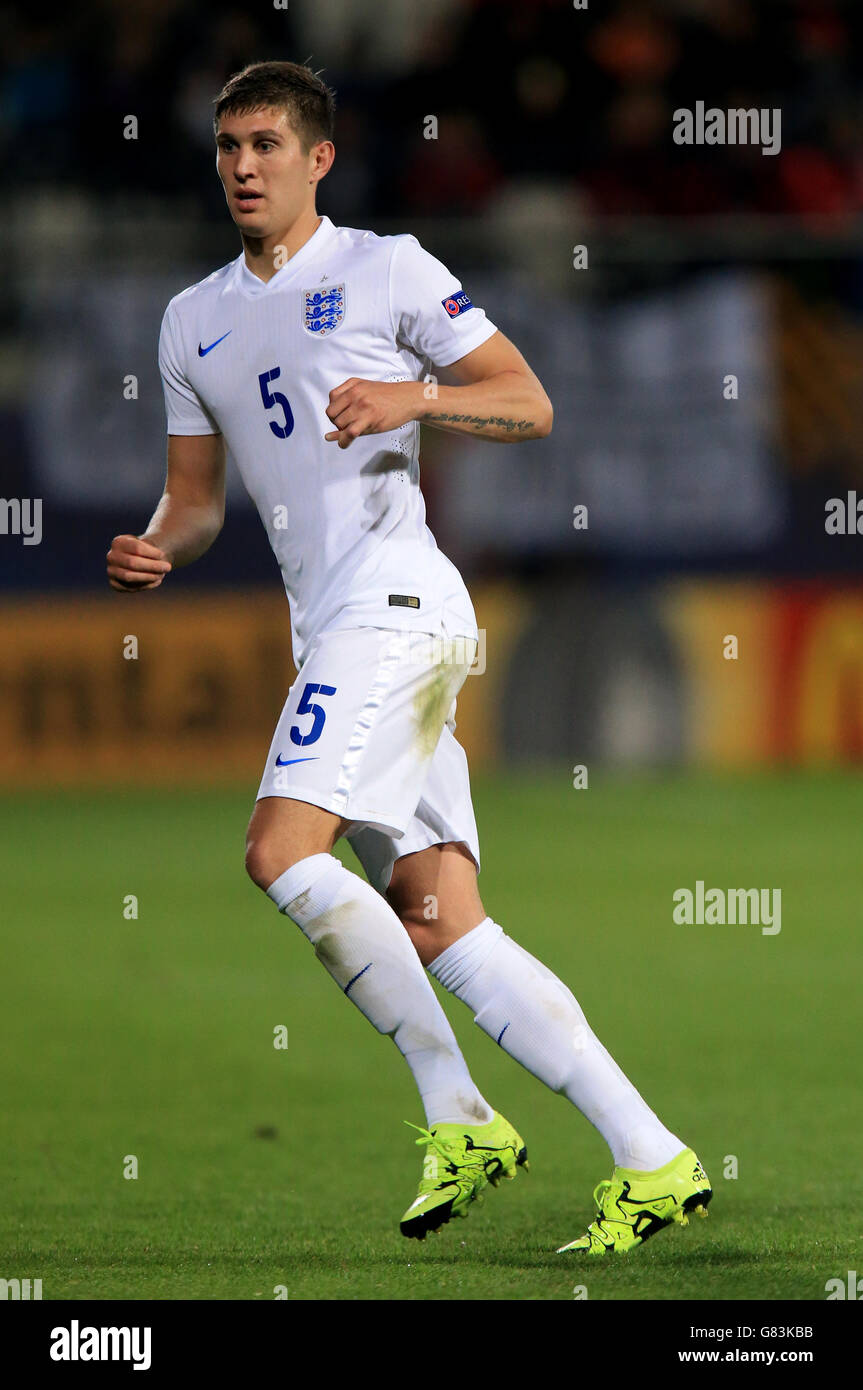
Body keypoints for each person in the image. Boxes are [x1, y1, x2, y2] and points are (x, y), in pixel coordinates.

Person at [106, 59, 711, 1252]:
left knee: (278, 849)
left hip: (396, 605)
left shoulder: (386, 267)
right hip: (335, 625)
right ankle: (653, 1157)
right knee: (440, 918)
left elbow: (527, 400)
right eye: (228, 145)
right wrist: (157, 546)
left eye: (267, 144)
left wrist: (415, 399)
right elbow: (196, 500)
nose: (242, 165)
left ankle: (457, 1110)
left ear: (318, 157)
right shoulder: (191, 318)